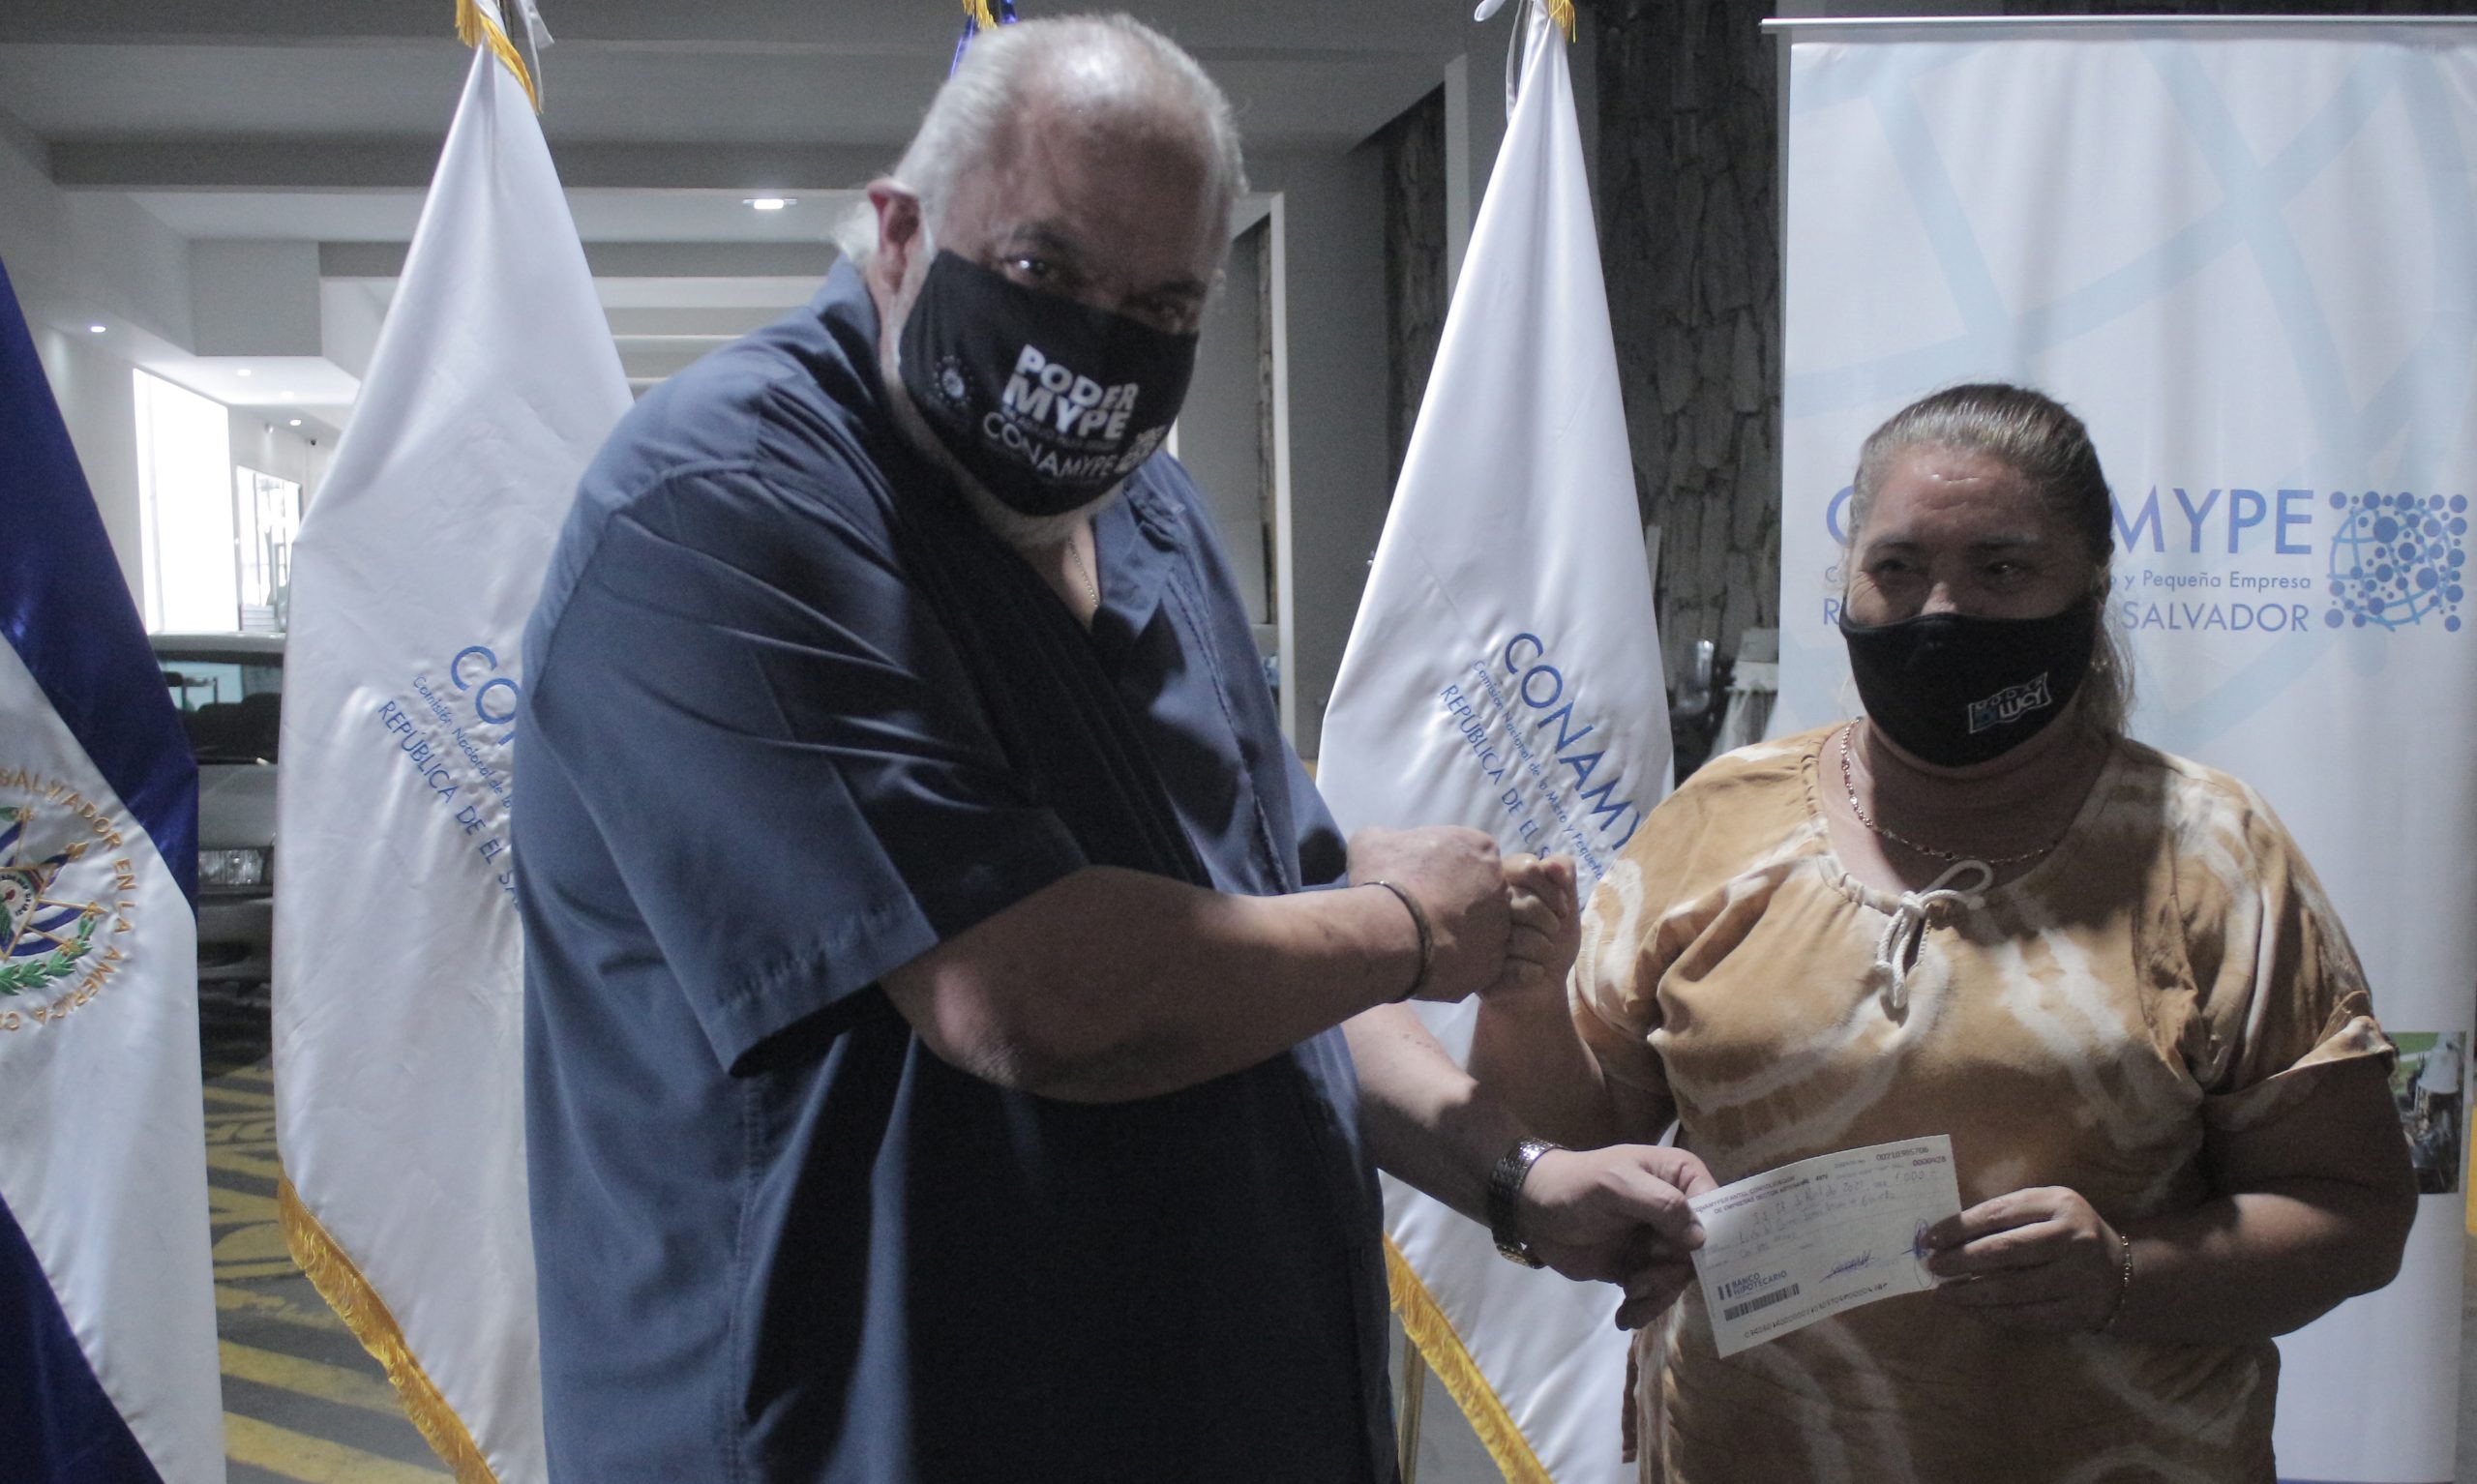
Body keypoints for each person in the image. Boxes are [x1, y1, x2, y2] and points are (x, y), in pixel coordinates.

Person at [513, 15, 1709, 1483]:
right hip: (872, 1426)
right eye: (1043, 271)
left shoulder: (1143, 510)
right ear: (898, 234)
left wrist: (1516, 1176)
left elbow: (1268, 944)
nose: (1091, 346)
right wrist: (1404, 925)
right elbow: (1024, 994)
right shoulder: (722, 509)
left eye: (1160, 304)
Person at [1472, 383, 2419, 1481]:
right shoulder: (1719, 820)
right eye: (1898, 567)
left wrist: (2124, 1273)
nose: (1940, 611)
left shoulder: (2209, 854)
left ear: (2090, 589)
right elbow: (1580, 1150)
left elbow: (2354, 1214)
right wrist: (1525, 1000)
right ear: (1848, 584)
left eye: (2001, 570)